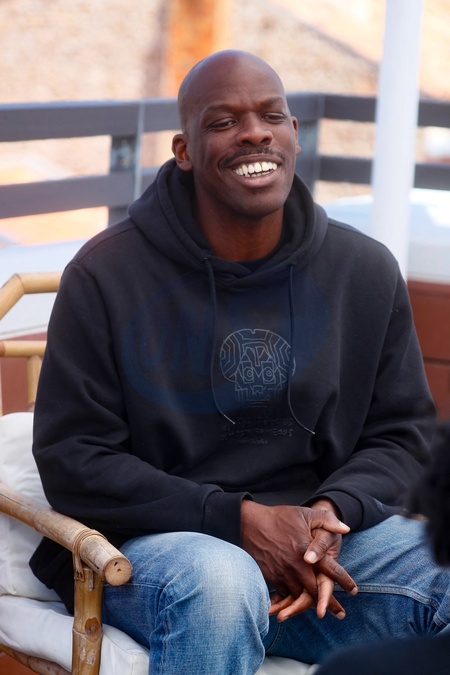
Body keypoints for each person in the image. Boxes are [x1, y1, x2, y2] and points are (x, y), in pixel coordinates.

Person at [30, 50, 450, 674]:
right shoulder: (105, 274)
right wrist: (237, 520)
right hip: (160, 548)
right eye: (224, 122)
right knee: (222, 582)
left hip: (325, 546)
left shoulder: (362, 270)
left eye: (271, 116)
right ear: (184, 150)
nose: (255, 132)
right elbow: (74, 458)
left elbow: (403, 434)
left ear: (294, 135)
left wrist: (331, 514)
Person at [315, 420, 450, 674]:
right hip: (233, 536)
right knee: (233, 589)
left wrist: (334, 506)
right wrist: (238, 516)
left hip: (347, 514)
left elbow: (401, 436)